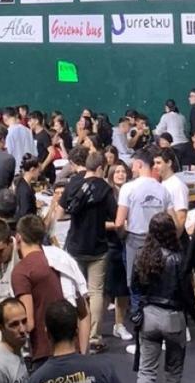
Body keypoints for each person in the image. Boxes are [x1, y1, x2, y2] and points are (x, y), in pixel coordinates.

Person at [130, 214, 195, 383]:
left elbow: (135, 287)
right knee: (173, 370)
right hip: (173, 318)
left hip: (148, 316)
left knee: (146, 371)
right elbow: (186, 295)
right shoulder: (178, 258)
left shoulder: (142, 255)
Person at [61, 151, 116, 351]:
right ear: (101, 167)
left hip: (75, 246)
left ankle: (76, 331)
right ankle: (93, 337)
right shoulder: (106, 189)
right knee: (96, 292)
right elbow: (116, 218)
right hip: (98, 247)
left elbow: (63, 209)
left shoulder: (73, 183)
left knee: (76, 292)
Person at [114, 149, 172, 302]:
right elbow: (171, 220)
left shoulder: (128, 188)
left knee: (135, 286)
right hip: (159, 241)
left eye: (133, 165)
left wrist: (122, 235)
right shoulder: (164, 190)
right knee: (157, 284)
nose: (131, 168)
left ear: (139, 164)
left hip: (135, 241)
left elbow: (119, 222)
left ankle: (139, 320)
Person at [11, 214, 69, 368]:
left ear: (18, 238)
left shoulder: (21, 271)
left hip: (44, 352)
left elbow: (28, 323)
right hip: (69, 345)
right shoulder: (59, 259)